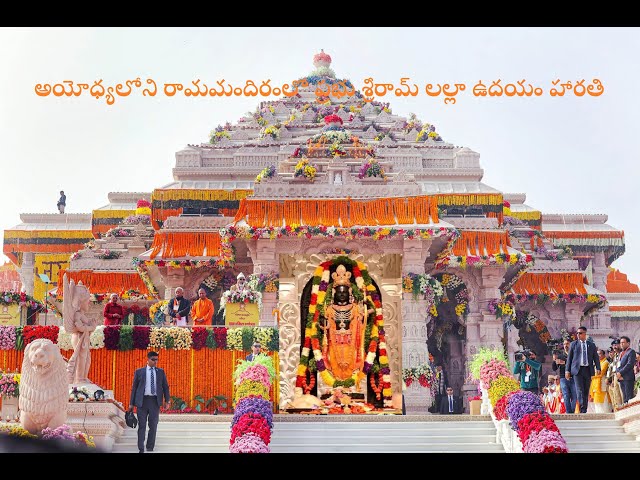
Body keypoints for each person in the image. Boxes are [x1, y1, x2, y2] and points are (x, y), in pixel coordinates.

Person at [318, 264, 366, 390]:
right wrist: (323, 323)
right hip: (335, 343)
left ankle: (349, 386)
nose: (342, 295)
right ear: (334, 294)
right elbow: (325, 328)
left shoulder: (355, 308)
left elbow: (360, 325)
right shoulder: (329, 309)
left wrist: (363, 314)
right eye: (339, 293)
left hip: (351, 342)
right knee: (333, 361)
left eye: (345, 292)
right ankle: (336, 386)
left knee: (352, 361)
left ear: (349, 293)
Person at [128, 351, 170, 453]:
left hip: (154, 402)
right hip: (142, 402)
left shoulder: (160, 372)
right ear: (148, 359)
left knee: (153, 425)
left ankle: (150, 447)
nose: (155, 362)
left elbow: (165, 387)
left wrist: (167, 401)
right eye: (153, 360)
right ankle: (141, 448)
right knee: (142, 425)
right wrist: (131, 404)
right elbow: (134, 388)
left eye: (157, 360)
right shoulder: (139, 372)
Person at [566, 326, 600, 413]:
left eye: (580, 333)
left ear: (585, 334)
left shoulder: (591, 345)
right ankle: (582, 408)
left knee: (586, 389)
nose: (578, 335)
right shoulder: (574, 344)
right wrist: (567, 370)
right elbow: (569, 358)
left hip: (588, 369)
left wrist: (598, 367)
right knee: (579, 389)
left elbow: (595, 357)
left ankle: (584, 407)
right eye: (577, 333)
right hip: (577, 370)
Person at [552, 339, 576, 414]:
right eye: (564, 344)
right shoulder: (560, 356)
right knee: (566, 395)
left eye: (567, 344)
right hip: (563, 378)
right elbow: (554, 368)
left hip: (574, 378)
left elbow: (576, 365)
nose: (566, 345)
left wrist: (565, 362)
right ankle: (569, 412)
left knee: (575, 396)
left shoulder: (575, 354)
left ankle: (571, 411)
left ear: (571, 344)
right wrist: (554, 360)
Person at [616, 336, 636, 404]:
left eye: (623, 342)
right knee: (624, 398)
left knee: (629, 397)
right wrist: (618, 373)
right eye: (621, 343)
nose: (621, 344)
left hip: (628, 378)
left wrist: (620, 373)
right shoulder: (621, 353)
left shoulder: (631, 352)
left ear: (628, 343)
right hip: (621, 378)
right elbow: (618, 365)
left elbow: (630, 364)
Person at [590, 348, 611, 413]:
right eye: (597, 354)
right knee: (597, 402)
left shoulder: (605, 362)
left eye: (600, 354)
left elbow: (600, 373)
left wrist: (592, 375)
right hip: (596, 385)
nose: (598, 355)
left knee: (604, 402)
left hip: (602, 385)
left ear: (604, 355)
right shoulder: (597, 363)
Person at [606, 339, 623, 411]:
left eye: (616, 345)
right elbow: (613, 369)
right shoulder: (615, 356)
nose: (614, 347)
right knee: (616, 395)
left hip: (622, 376)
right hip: (614, 377)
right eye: (613, 345)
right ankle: (618, 409)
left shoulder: (622, 354)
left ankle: (622, 409)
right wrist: (611, 379)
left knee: (621, 394)